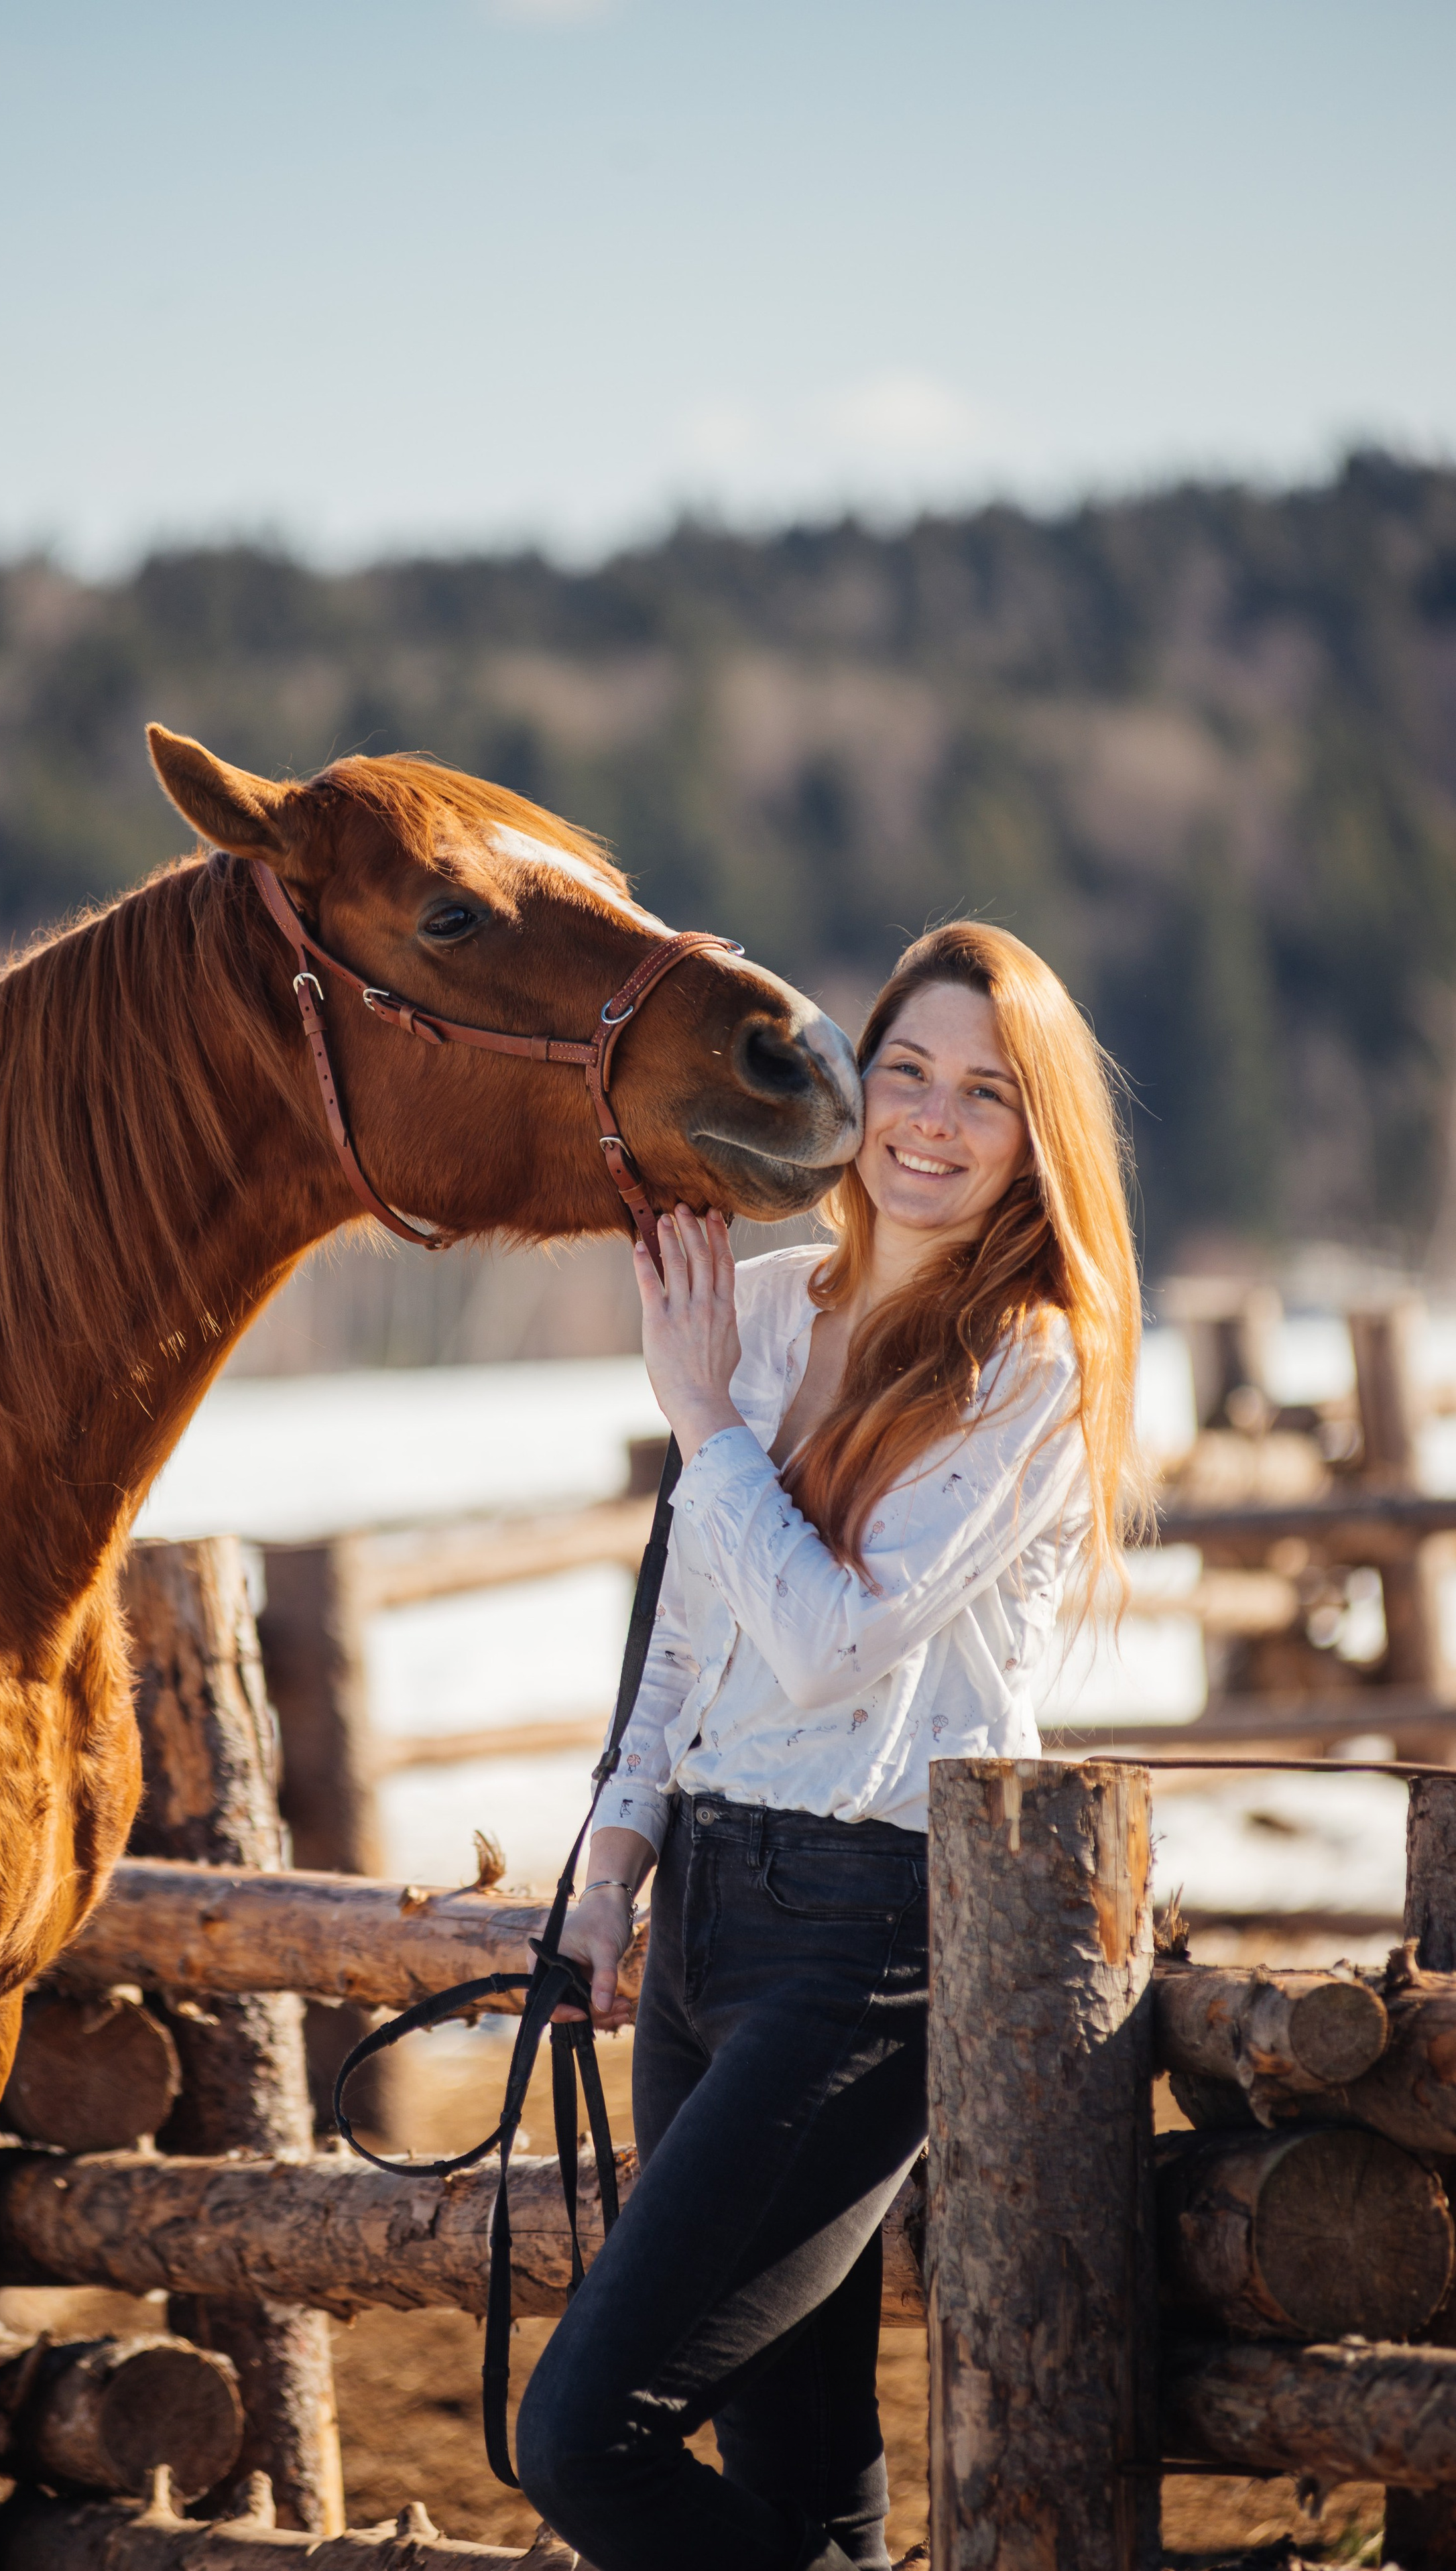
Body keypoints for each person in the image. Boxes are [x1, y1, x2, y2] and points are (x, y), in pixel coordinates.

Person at [514, 921, 1147, 2571]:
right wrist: (610, 1863)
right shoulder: (763, 1305)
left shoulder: (1025, 1361)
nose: (929, 1122)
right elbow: (686, 1631)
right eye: (907, 1072)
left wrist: (704, 1417)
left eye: (986, 1096)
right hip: (702, 1920)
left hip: (865, 1937)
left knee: (584, 2437)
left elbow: (827, 1639)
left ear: (1037, 1137)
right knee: (796, 2473)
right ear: (853, 1082)